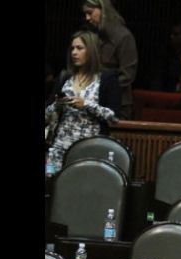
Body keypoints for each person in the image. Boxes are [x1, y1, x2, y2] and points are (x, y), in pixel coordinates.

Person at [45, 30, 121, 175]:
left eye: (79, 48)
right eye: (72, 48)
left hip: (90, 149)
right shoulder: (65, 77)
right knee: (53, 191)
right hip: (59, 148)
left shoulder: (107, 78)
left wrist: (86, 104)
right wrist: (57, 105)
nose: (74, 52)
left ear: (91, 51)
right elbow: (47, 114)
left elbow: (114, 118)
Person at [82, 0, 138, 120]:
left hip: (117, 103)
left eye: (90, 13)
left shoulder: (124, 36)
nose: (87, 18)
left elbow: (128, 75)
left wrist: (99, 88)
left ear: (103, 10)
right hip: (92, 100)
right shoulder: (93, 35)